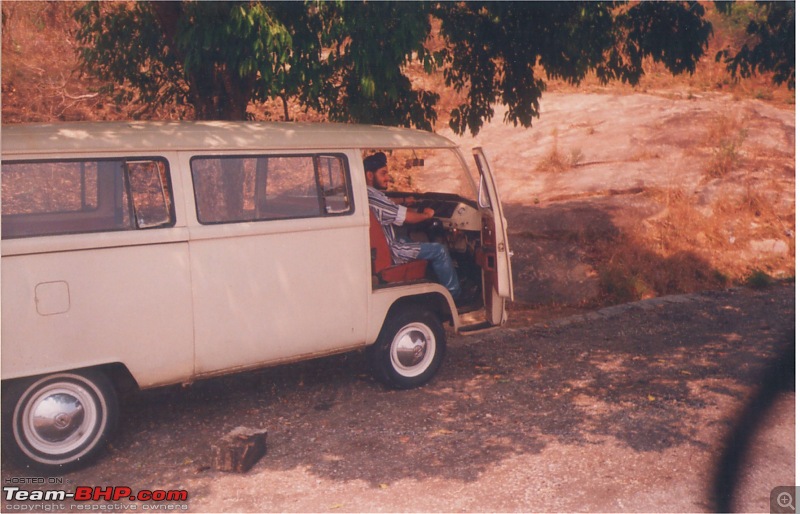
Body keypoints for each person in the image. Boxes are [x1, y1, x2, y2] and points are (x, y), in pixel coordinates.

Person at [364, 152, 461, 300]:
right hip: (393, 250)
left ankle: (436, 282)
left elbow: (388, 203)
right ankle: (454, 296)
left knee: (408, 238)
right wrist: (426, 215)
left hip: (385, 246)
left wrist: (403, 200)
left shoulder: (367, 194)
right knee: (439, 250)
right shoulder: (376, 198)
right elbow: (407, 218)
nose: (387, 178)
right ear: (370, 175)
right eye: (383, 174)